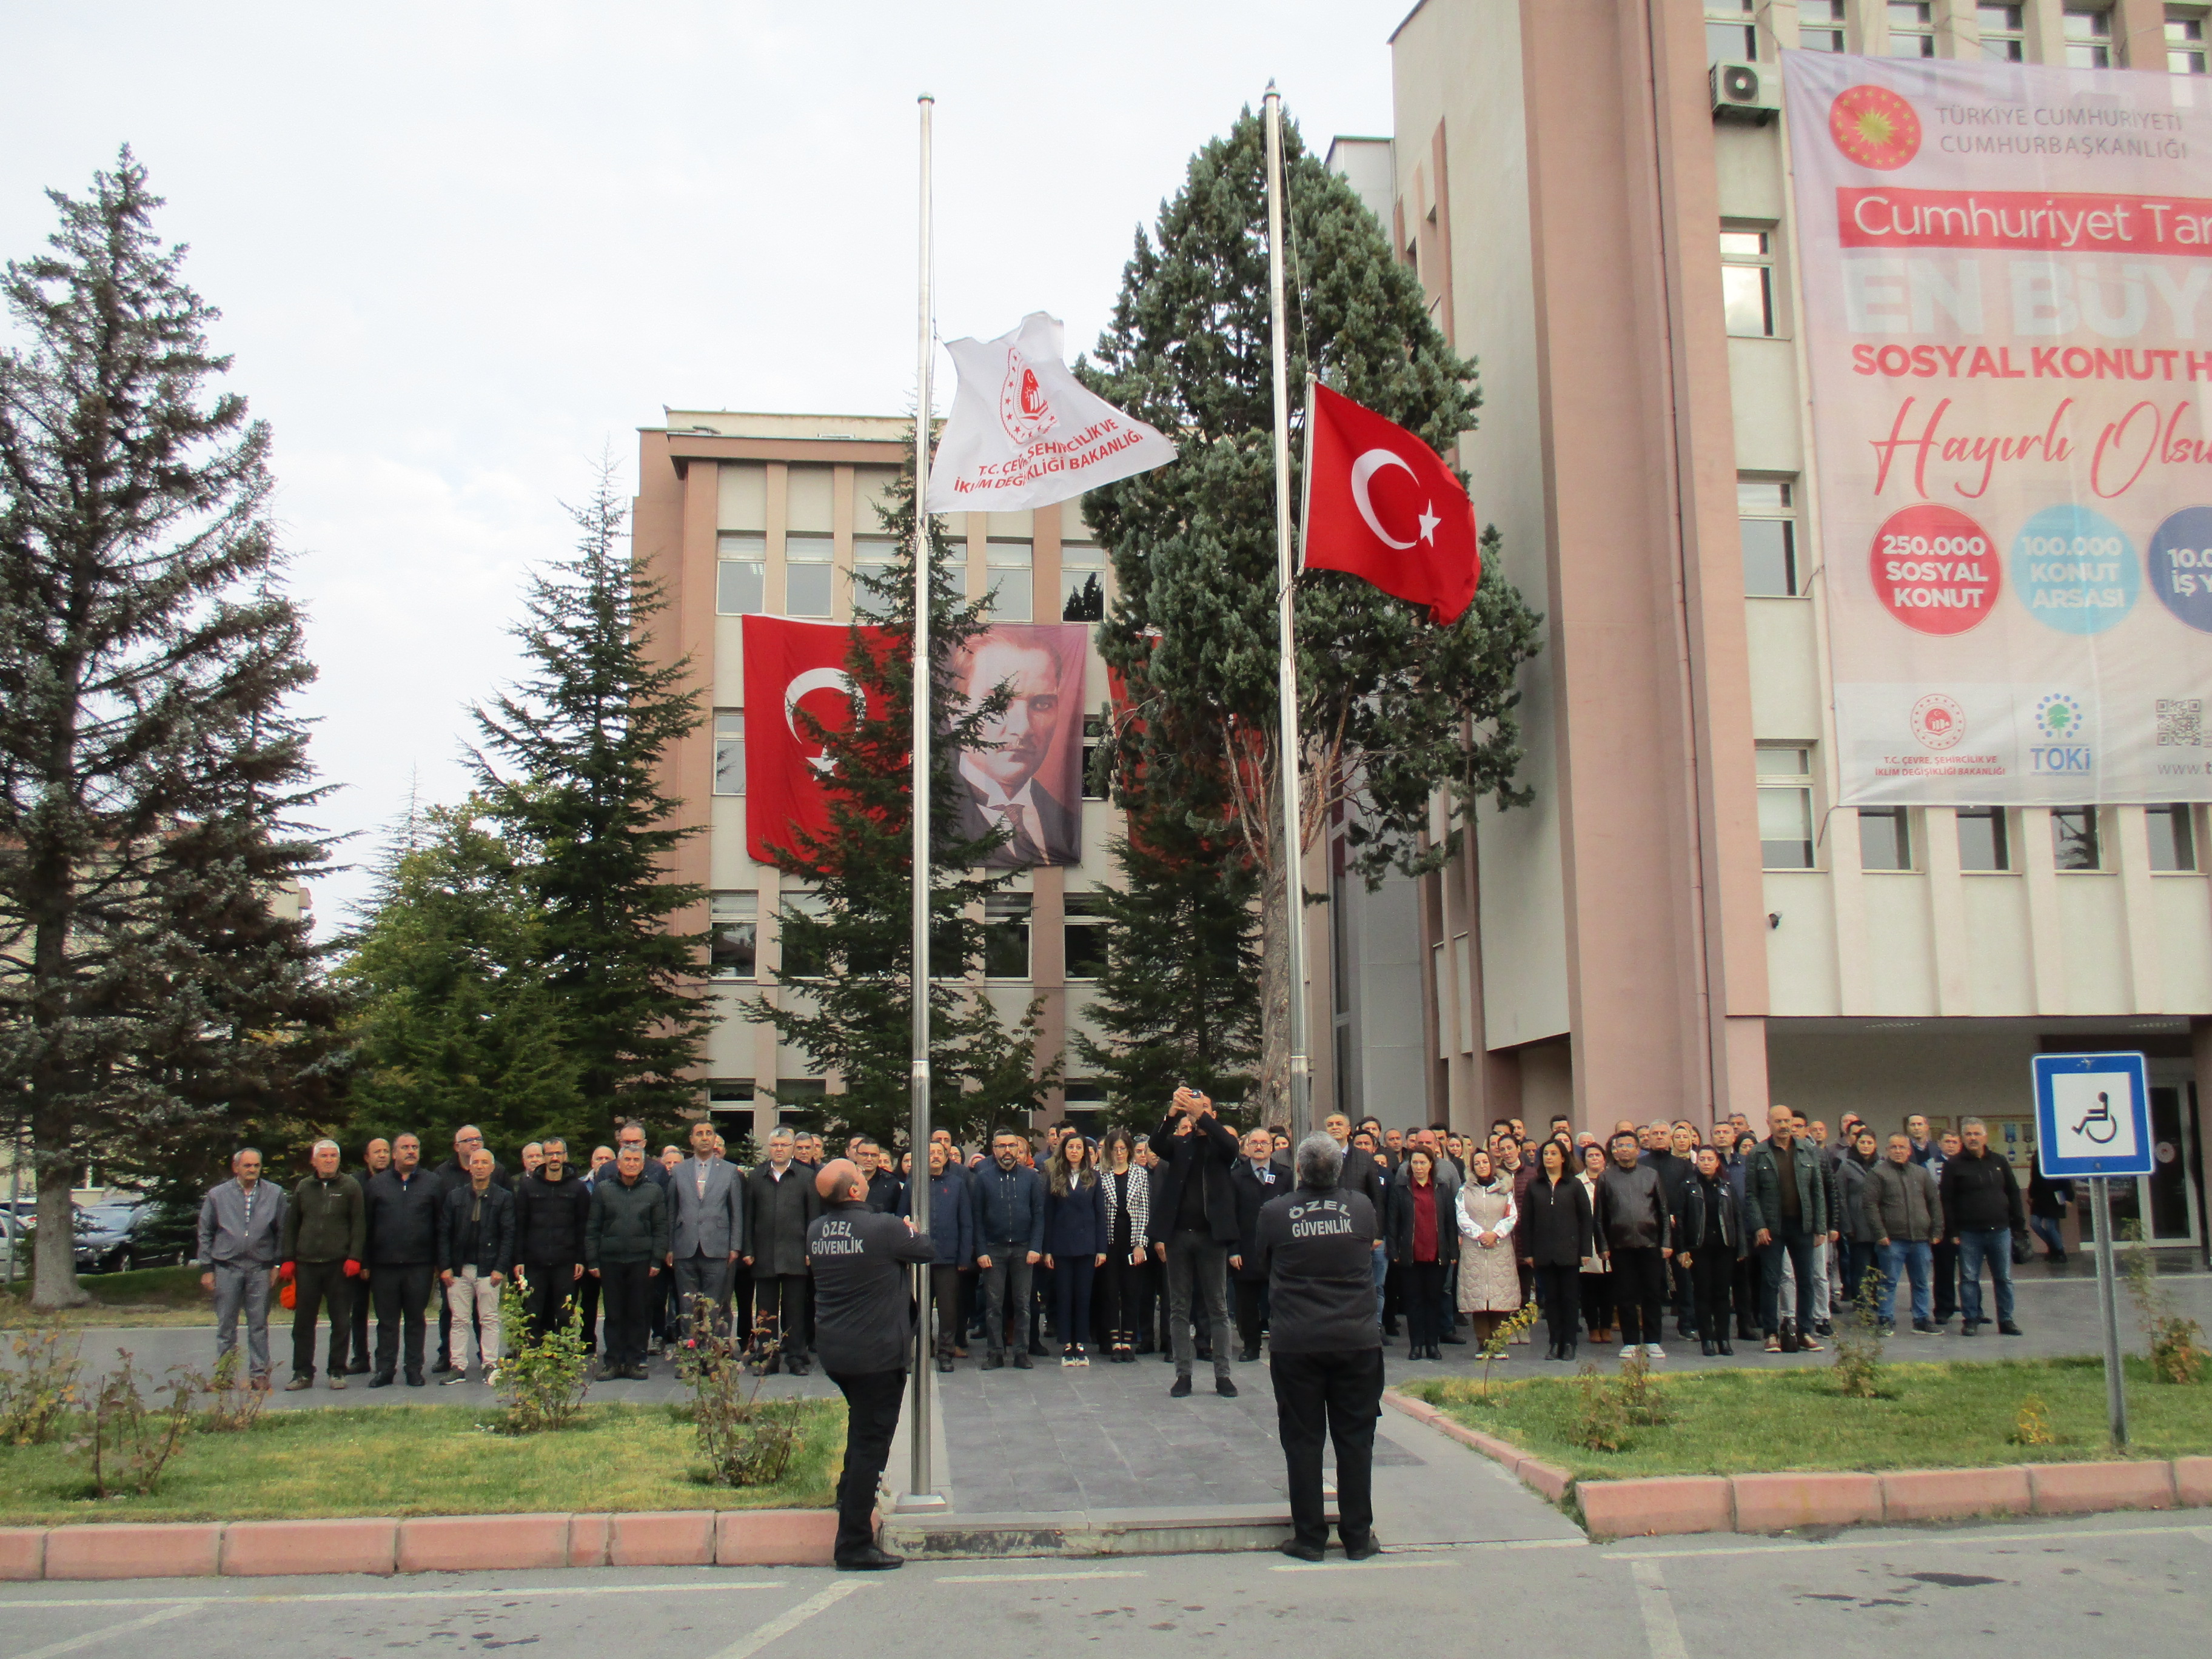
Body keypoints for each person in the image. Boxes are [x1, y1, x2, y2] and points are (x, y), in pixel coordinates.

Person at [1256, 1133, 1384, 1564]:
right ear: (1338, 1169)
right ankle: (1357, 1537)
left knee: (1303, 1439)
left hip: (1297, 1341)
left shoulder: (1275, 1212)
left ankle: (1310, 1537)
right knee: (1356, 1439)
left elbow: (1262, 1263)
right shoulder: (1362, 1208)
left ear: (1300, 1169)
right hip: (1356, 1340)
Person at [807, 1158, 937, 1571]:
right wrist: (911, 1229)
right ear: (855, 1191)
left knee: (860, 1427)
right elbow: (927, 1249)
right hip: (877, 1355)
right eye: (861, 1177)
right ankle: (854, 1544)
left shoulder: (817, 1230)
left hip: (836, 1351)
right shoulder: (882, 1228)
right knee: (871, 1445)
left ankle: (848, 1494)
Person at [950, 629, 1080, 866]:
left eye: (1042, 704)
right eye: (998, 703)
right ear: (957, 711)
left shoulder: (1068, 824)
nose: (1023, 728)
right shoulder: (928, 818)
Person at [1149, 1087, 1242, 1399]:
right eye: (1193, 1106)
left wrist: (1201, 1113)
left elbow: (1231, 1144)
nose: (1195, 1111)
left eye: (1202, 1108)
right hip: (1178, 1236)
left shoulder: (1221, 1146)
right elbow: (1156, 1144)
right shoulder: (1181, 1144)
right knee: (1179, 1307)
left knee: (1218, 1306)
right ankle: (1183, 1373)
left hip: (1211, 1237)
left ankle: (1223, 1375)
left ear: (1212, 1114)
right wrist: (1173, 1111)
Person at [278, 1138, 364, 1391]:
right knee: (303, 1323)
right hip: (306, 1265)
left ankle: (337, 1370)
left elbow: (359, 1225)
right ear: (314, 1161)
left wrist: (355, 1257)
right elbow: (291, 1226)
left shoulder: (351, 1187)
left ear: (339, 1159)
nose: (329, 1160)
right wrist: (288, 1259)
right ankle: (302, 1372)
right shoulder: (304, 1188)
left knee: (341, 1320)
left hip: (339, 1265)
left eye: (333, 1156)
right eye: (324, 1156)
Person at [1742, 1104, 1828, 1353]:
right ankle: (1771, 1333)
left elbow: (1818, 1192)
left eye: (1787, 1121)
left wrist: (1820, 1227)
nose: (1784, 1126)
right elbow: (1751, 1195)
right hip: (1772, 1227)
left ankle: (1805, 1332)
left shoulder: (1808, 1151)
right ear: (1768, 1123)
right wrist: (1759, 1226)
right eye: (1778, 1121)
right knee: (1771, 1280)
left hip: (1802, 1225)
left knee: (1806, 1280)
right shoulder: (1758, 1153)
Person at [198, 1148, 286, 1389]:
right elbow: (205, 1231)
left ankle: (259, 1374)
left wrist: (277, 1264)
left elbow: (282, 1232)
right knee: (226, 1323)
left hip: (260, 1266)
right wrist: (207, 1267)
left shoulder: (275, 1193)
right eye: (247, 1166)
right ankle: (224, 1375)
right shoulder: (217, 1195)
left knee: (258, 1323)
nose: (252, 1170)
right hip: (227, 1266)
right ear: (236, 1167)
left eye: (256, 1166)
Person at [586, 1143, 669, 1380]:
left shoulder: (653, 1191)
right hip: (610, 1260)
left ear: (643, 1165)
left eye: (636, 1160)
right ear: (618, 1163)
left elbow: (661, 1228)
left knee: (638, 1313)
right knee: (613, 1313)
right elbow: (593, 1227)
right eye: (627, 1160)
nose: (631, 1164)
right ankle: (612, 1362)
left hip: (641, 1260)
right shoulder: (603, 1190)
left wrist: (657, 1259)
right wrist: (593, 1259)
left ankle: (634, 1361)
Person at [364, 1133, 440, 1386]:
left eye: (415, 1147)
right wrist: (365, 1262)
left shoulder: (432, 1183)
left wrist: (442, 1262)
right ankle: (385, 1369)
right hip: (384, 1264)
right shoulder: (377, 1185)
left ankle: (414, 1368)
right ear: (394, 1154)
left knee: (416, 1318)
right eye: (405, 1147)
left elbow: (442, 1225)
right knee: (386, 1320)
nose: (411, 1151)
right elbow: (366, 1225)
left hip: (420, 1264)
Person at [743, 1128, 821, 1373]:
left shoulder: (807, 1177)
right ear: (769, 1148)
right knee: (765, 1312)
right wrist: (748, 1248)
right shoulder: (756, 1177)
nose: (779, 1149)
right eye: (775, 1145)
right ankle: (767, 1357)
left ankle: (797, 1357)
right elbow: (748, 1217)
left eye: (784, 1145)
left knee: (795, 1309)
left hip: (796, 1253)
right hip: (764, 1253)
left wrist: (812, 1250)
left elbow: (814, 1217)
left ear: (792, 1148)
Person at [1940, 1117, 2025, 1336]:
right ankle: (1971, 1319)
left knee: (2004, 1278)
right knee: (1969, 1278)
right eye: (1968, 1134)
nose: (1973, 1138)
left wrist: (2018, 1225)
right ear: (1963, 1139)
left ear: (1985, 1137)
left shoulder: (1999, 1161)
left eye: (1977, 1134)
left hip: (2000, 1230)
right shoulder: (1954, 1165)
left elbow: (2014, 1192)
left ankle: (2006, 1320)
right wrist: (1952, 1231)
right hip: (1969, 1233)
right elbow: (1946, 1200)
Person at [971, 1127, 1046, 1369]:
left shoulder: (1032, 1178)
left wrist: (1036, 1246)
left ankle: (1021, 1353)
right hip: (994, 1249)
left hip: (1024, 1249)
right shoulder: (982, 1178)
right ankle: (995, 1353)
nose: (1007, 1151)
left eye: (1011, 1146)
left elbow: (1039, 1215)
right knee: (994, 1305)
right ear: (994, 1150)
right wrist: (981, 1250)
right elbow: (977, 1218)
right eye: (1002, 1146)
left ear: (1019, 1149)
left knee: (1023, 1303)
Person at [439, 1147, 515, 1385]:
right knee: (459, 1320)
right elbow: (444, 1233)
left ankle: (490, 1363)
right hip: (460, 1269)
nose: (480, 1166)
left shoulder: (503, 1198)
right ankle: (458, 1366)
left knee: (489, 1318)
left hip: (488, 1268)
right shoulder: (455, 1197)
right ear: (469, 1167)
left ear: (493, 1168)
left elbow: (509, 1234)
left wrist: (500, 1268)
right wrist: (446, 1266)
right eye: (476, 1162)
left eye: (485, 1162)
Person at [666, 1118, 745, 1343]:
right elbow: (671, 1211)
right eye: (699, 1133)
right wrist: (670, 1247)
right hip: (685, 1247)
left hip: (718, 1247)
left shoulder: (730, 1171)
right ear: (691, 1140)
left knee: (715, 1305)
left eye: (708, 1133)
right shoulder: (679, 1171)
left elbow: (736, 1212)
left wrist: (735, 1246)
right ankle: (690, 1357)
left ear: (715, 1140)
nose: (704, 1137)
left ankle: (714, 1355)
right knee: (687, 1306)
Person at [1597, 1130, 1672, 1359]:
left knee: (1652, 1293)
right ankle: (1630, 1341)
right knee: (1625, 1294)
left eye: (1628, 1146)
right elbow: (1599, 1216)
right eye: (1618, 1146)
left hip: (1650, 1243)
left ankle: (1652, 1340)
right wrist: (1602, 1244)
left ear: (1638, 1150)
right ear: (1614, 1151)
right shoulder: (1606, 1178)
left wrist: (1667, 1242)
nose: (1623, 1150)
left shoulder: (1651, 1175)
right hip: (1620, 1245)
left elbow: (1663, 1211)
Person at [900, 1139, 973, 1373]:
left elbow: (966, 1222)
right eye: (929, 1152)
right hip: (918, 1257)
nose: (934, 1156)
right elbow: (901, 1217)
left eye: (939, 1153)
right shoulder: (914, 1184)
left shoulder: (957, 1184)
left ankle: (946, 1352)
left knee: (948, 1308)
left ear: (946, 1157)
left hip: (948, 1258)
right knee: (917, 1307)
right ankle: (919, 1349)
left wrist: (964, 1257)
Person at [1865, 1131, 1944, 1336]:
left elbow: (1934, 1202)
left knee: (1921, 1282)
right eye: (1894, 1147)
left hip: (1920, 1239)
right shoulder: (1878, 1174)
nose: (1898, 1151)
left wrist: (1937, 1229)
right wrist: (1880, 1233)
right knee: (1888, 1282)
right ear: (1887, 1150)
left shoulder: (1921, 1173)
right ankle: (1885, 1319)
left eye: (1902, 1148)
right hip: (1891, 1240)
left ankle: (1921, 1319)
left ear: (1909, 1151)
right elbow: (1870, 1206)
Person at [1520, 1138, 1592, 1361]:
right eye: (1546, 1154)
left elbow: (1586, 1219)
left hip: (1569, 1253)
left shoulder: (1574, 1185)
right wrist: (1529, 1252)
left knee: (1570, 1300)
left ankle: (1570, 1343)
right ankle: (1555, 1343)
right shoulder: (1535, 1185)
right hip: (1544, 1253)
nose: (1549, 1157)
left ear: (1563, 1157)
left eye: (1553, 1153)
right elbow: (1527, 1221)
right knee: (1550, 1301)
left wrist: (1585, 1250)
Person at [514, 1137, 591, 1343]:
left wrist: (580, 1260)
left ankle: (564, 1362)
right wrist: (519, 1259)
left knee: (565, 1315)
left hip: (566, 1264)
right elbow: (520, 1226)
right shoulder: (528, 1187)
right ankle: (532, 1360)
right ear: (543, 1157)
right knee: (532, 1315)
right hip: (534, 1263)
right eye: (550, 1154)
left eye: (558, 1154)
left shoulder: (578, 1189)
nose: (554, 1158)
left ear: (565, 1156)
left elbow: (584, 1227)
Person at [1322, 1111, 1390, 1333]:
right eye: (1330, 1125)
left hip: (1357, 1233)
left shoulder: (1363, 1158)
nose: (1335, 1128)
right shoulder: (1319, 1156)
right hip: (1325, 1232)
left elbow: (1377, 1199)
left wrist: (1378, 1234)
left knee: (1362, 1285)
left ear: (1349, 1129)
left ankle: (1367, 1328)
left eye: (1339, 1124)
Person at [1042, 1130, 1107, 1364]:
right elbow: (1048, 1215)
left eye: (1079, 1147)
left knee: (1083, 1296)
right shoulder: (1054, 1177)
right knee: (1064, 1295)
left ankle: (1080, 1343)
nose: (1075, 1151)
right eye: (1070, 1147)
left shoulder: (1094, 1178)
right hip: (1061, 1247)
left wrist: (1102, 1249)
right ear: (1064, 1150)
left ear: (1085, 1152)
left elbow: (1100, 1215)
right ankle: (1067, 1343)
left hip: (1087, 1247)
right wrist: (1047, 1249)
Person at [1388, 1147, 1452, 1359]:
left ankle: (1432, 1345)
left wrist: (1453, 1250)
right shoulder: (1400, 1189)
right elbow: (1393, 1223)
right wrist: (1394, 1250)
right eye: (1414, 1163)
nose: (1419, 1167)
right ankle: (1416, 1345)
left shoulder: (1441, 1189)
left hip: (1436, 1254)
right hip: (1411, 1255)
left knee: (1434, 1300)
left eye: (1423, 1163)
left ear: (1431, 1164)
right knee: (1414, 1302)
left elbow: (1450, 1222)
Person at [1227, 1127, 1285, 1362]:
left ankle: (1282, 1344)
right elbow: (1229, 1217)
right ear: (1246, 1147)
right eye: (1255, 1143)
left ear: (1272, 1147)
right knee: (1246, 1304)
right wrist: (1233, 1250)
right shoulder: (1235, 1177)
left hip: (1278, 1251)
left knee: (1280, 1301)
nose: (1260, 1146)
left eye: (1264, 1142)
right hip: (1246, 1250)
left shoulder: (1285, 1176)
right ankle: (1250, 1346)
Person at [1675, 1145, 1739, 1356]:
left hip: (1724, 1248)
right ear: (1697, 1162)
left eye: (1710, 1159)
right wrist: (1682, 1249)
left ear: (1717, 1162)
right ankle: (1707, 1340)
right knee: (1702, 1294)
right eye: (1702, 1159)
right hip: (1699, 1248)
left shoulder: (1727, 1186)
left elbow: (1736, 1218)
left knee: (1722, 1294)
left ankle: (1724, 1339)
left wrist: (1741, 1248)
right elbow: (1681, 1221)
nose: (1706, 1163)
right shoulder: (1688, 1187)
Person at [1454, 1149, 1521, 1350]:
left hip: (1500, 1249)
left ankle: (1499, 1343)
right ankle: (1483, 1343)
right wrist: (1480, 1235)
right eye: (1477, 1163)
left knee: (1500, 1297)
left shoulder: (1505, 1191)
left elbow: (1511, 1216)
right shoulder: (1464, 1191)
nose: (1482, 1166)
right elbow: (1462, 1215)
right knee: (1478, 1299)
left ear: (1492, 1164)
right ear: (1472, 1167)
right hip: (1474, 1249)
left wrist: (1496, 1234)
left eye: (1485, 1162)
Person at [1097, 1127, 1151, 1362]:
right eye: (1115, 1149)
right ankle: (1113, 1342)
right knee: (1110, 1292)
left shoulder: (1140, 1174)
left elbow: (1146, 1210)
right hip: (1109, 1239)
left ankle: (1128, 1341)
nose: (1119, 1153)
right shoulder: (1099, 1174)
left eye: (1123, 1149)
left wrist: (1141, 1244)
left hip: (1132, 1238)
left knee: (1131, 1291)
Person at [343, 1136, 391, 1374]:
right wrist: (360, 1258)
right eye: (377, 1152)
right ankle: (360, 1356)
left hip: (387, 1257)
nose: (382, 1155)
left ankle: (386, 1358)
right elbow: (353, 1224)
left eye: (386, 1151)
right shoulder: (354, 1183)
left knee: (386, 1311)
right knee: (358, 1309)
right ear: (367, 1157)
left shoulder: (397, 1180)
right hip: (360, 1255)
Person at [1834, 1128, 1882, 1312]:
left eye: (1870, 1142)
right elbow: (1841, 1197)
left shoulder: (1882, 1165)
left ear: (1875, 1145)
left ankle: (1876, 1301)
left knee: (1877, 1267)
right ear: (1856, 1144)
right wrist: (1846, 1225)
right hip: (1857, 1226)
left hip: (1878, 1226)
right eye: (1863, 1142)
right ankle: (1862, 1304)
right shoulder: (1846, 1167)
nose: (1866, 1146)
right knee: (1861, 1267)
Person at [1574, 1142, 1614, 1345]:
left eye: (1598, 1155)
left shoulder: (1612, 1179)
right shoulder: (1577, 1183)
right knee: (1589, 1288)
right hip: (1587, 1240)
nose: (1595, 1159)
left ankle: (1606, 1327)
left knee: (1608, 1288)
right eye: (1590, 1156)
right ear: (1585, 1160)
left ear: (1604, 1158)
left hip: (1610, 1239)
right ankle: (1593, 1328)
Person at [2027, 1167, 2074, 1264]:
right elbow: (2034, 1177)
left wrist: (2069, 1198)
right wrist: (2031, 1195)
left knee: (2050, 1227)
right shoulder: (2037, 1157)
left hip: (2055, 1198)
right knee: (2034, 1223)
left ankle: (2060, 1253)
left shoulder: (2053, 1160)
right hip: (2039, 1199)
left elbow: (2065, 1179)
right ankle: (2053, 1247)